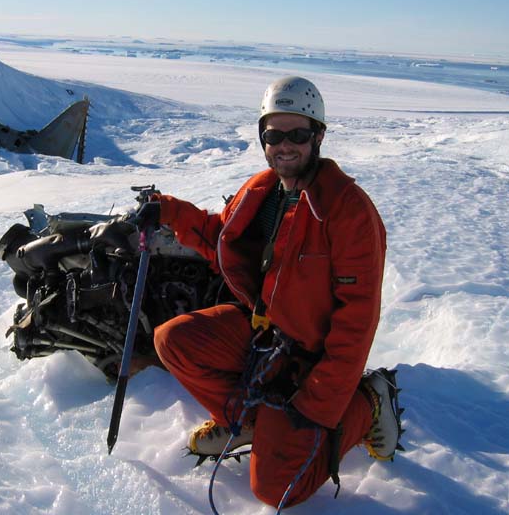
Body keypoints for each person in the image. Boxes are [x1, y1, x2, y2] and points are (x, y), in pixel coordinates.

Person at [143, 75, 403, 509]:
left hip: (311, 359)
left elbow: (357, 323)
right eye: (273, 134)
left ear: (318, 135)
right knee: (174, 340)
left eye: (297, 134)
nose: (284, 145)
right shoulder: (261, 190)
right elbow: (220, 237)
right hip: (263, 335)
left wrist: (317, 405)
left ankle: (369, 402)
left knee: (275, 489)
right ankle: (247, 421)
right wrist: (168, 210)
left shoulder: (348, 211)